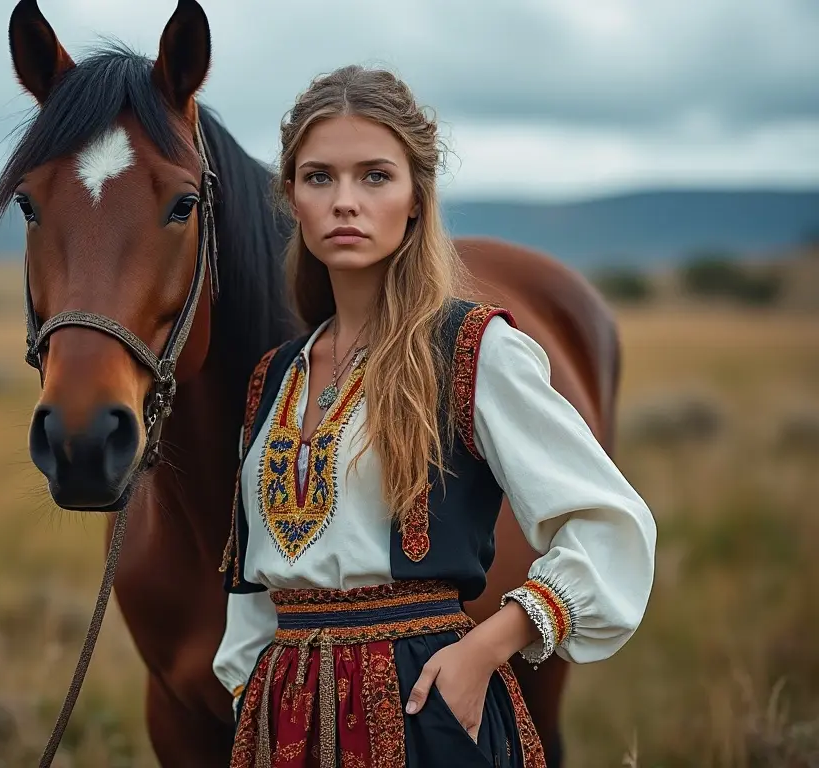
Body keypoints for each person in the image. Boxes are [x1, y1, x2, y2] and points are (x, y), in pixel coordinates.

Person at [214, 64, 656, 768]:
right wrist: (250, 700)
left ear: (417, 198)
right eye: (319, 177)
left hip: (429, 716)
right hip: (284, 728)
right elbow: (254, 595)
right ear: (291, 197)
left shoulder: (474, 350)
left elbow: (610, 525)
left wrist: (490, 644)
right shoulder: (273, 379)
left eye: (375, 176)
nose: (345, 202)